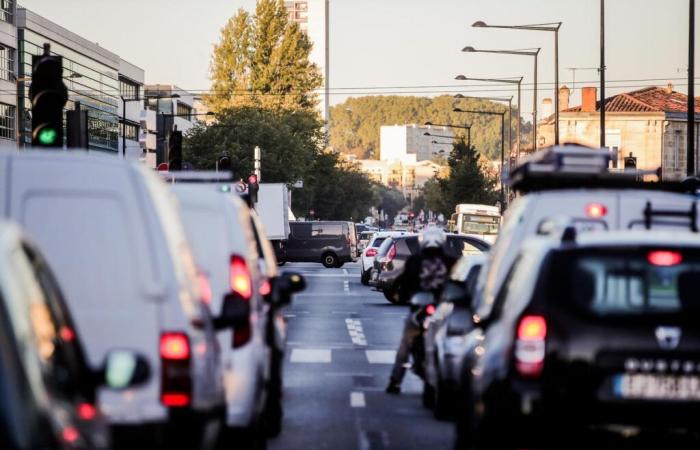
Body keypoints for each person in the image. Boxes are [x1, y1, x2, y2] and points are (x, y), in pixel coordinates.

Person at [386, 227, 457, 394]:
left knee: (405, 345)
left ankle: (395, 381)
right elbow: (458, 284)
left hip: (419, 311)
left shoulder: (414, 261)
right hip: (442, 312)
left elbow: (404, 283)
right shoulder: (451, 262)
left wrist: (401, 296)